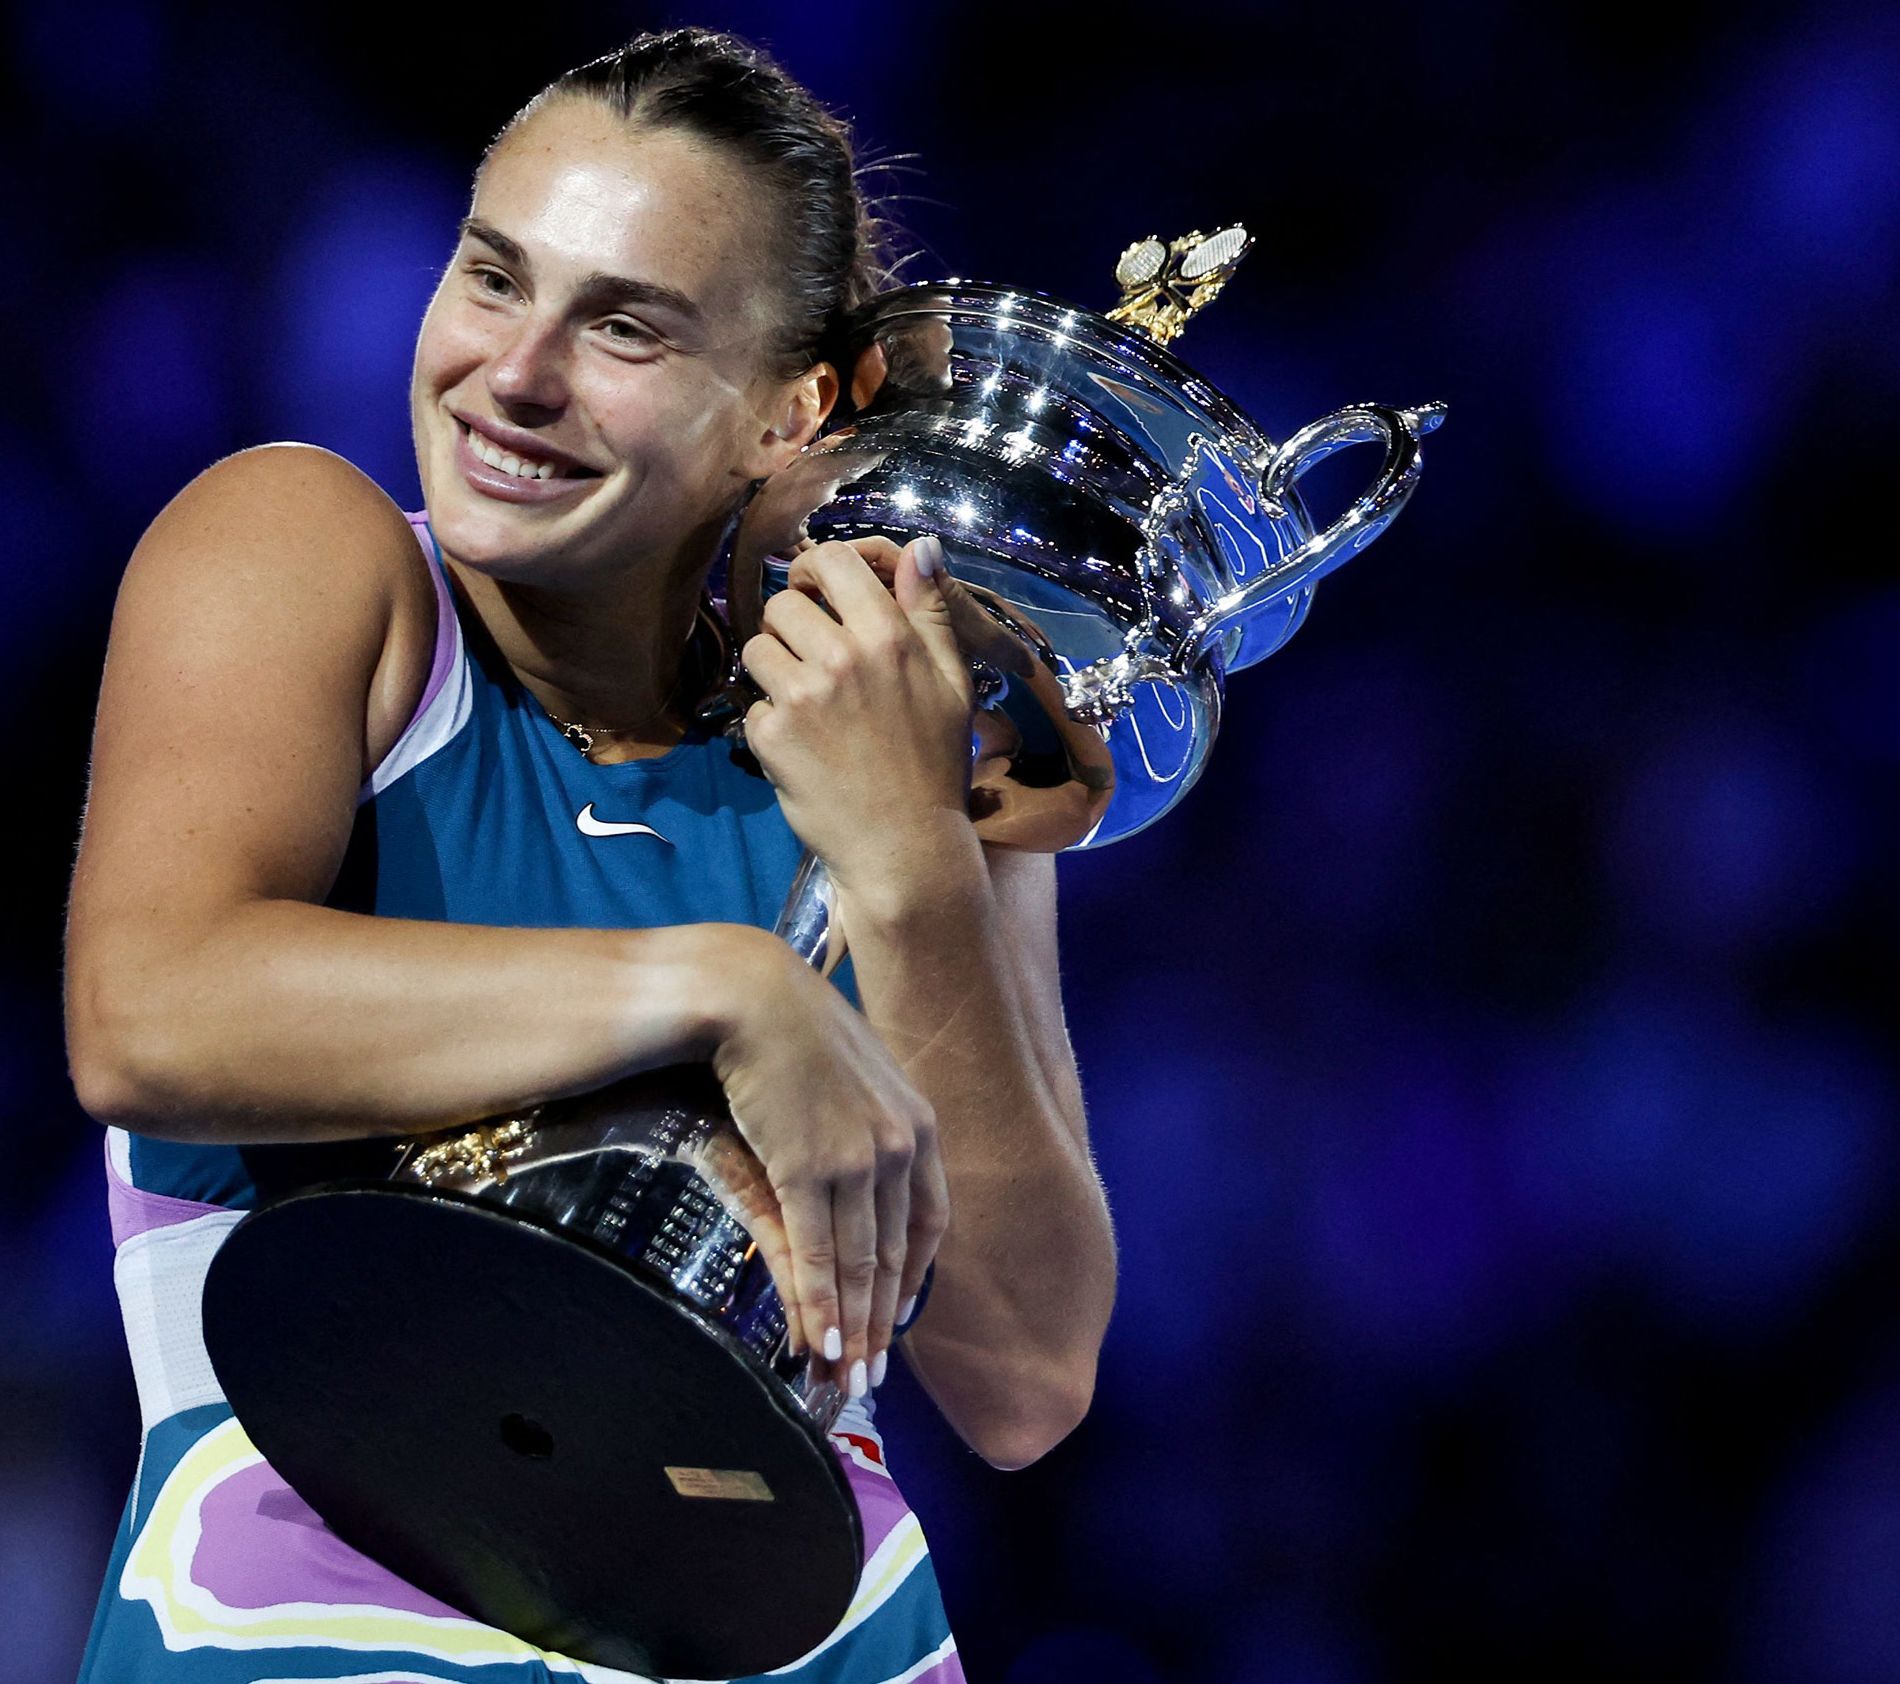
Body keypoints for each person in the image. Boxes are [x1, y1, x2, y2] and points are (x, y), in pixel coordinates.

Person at [60, 27, 1114, 1682]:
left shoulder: (890, 738)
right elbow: (152, 1012)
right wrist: (728, 989)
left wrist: (913, 864)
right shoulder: (305, 556)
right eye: (493, 277)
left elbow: (1027, 1372)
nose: (515, 372)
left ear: (794, 410)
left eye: (623, 326)